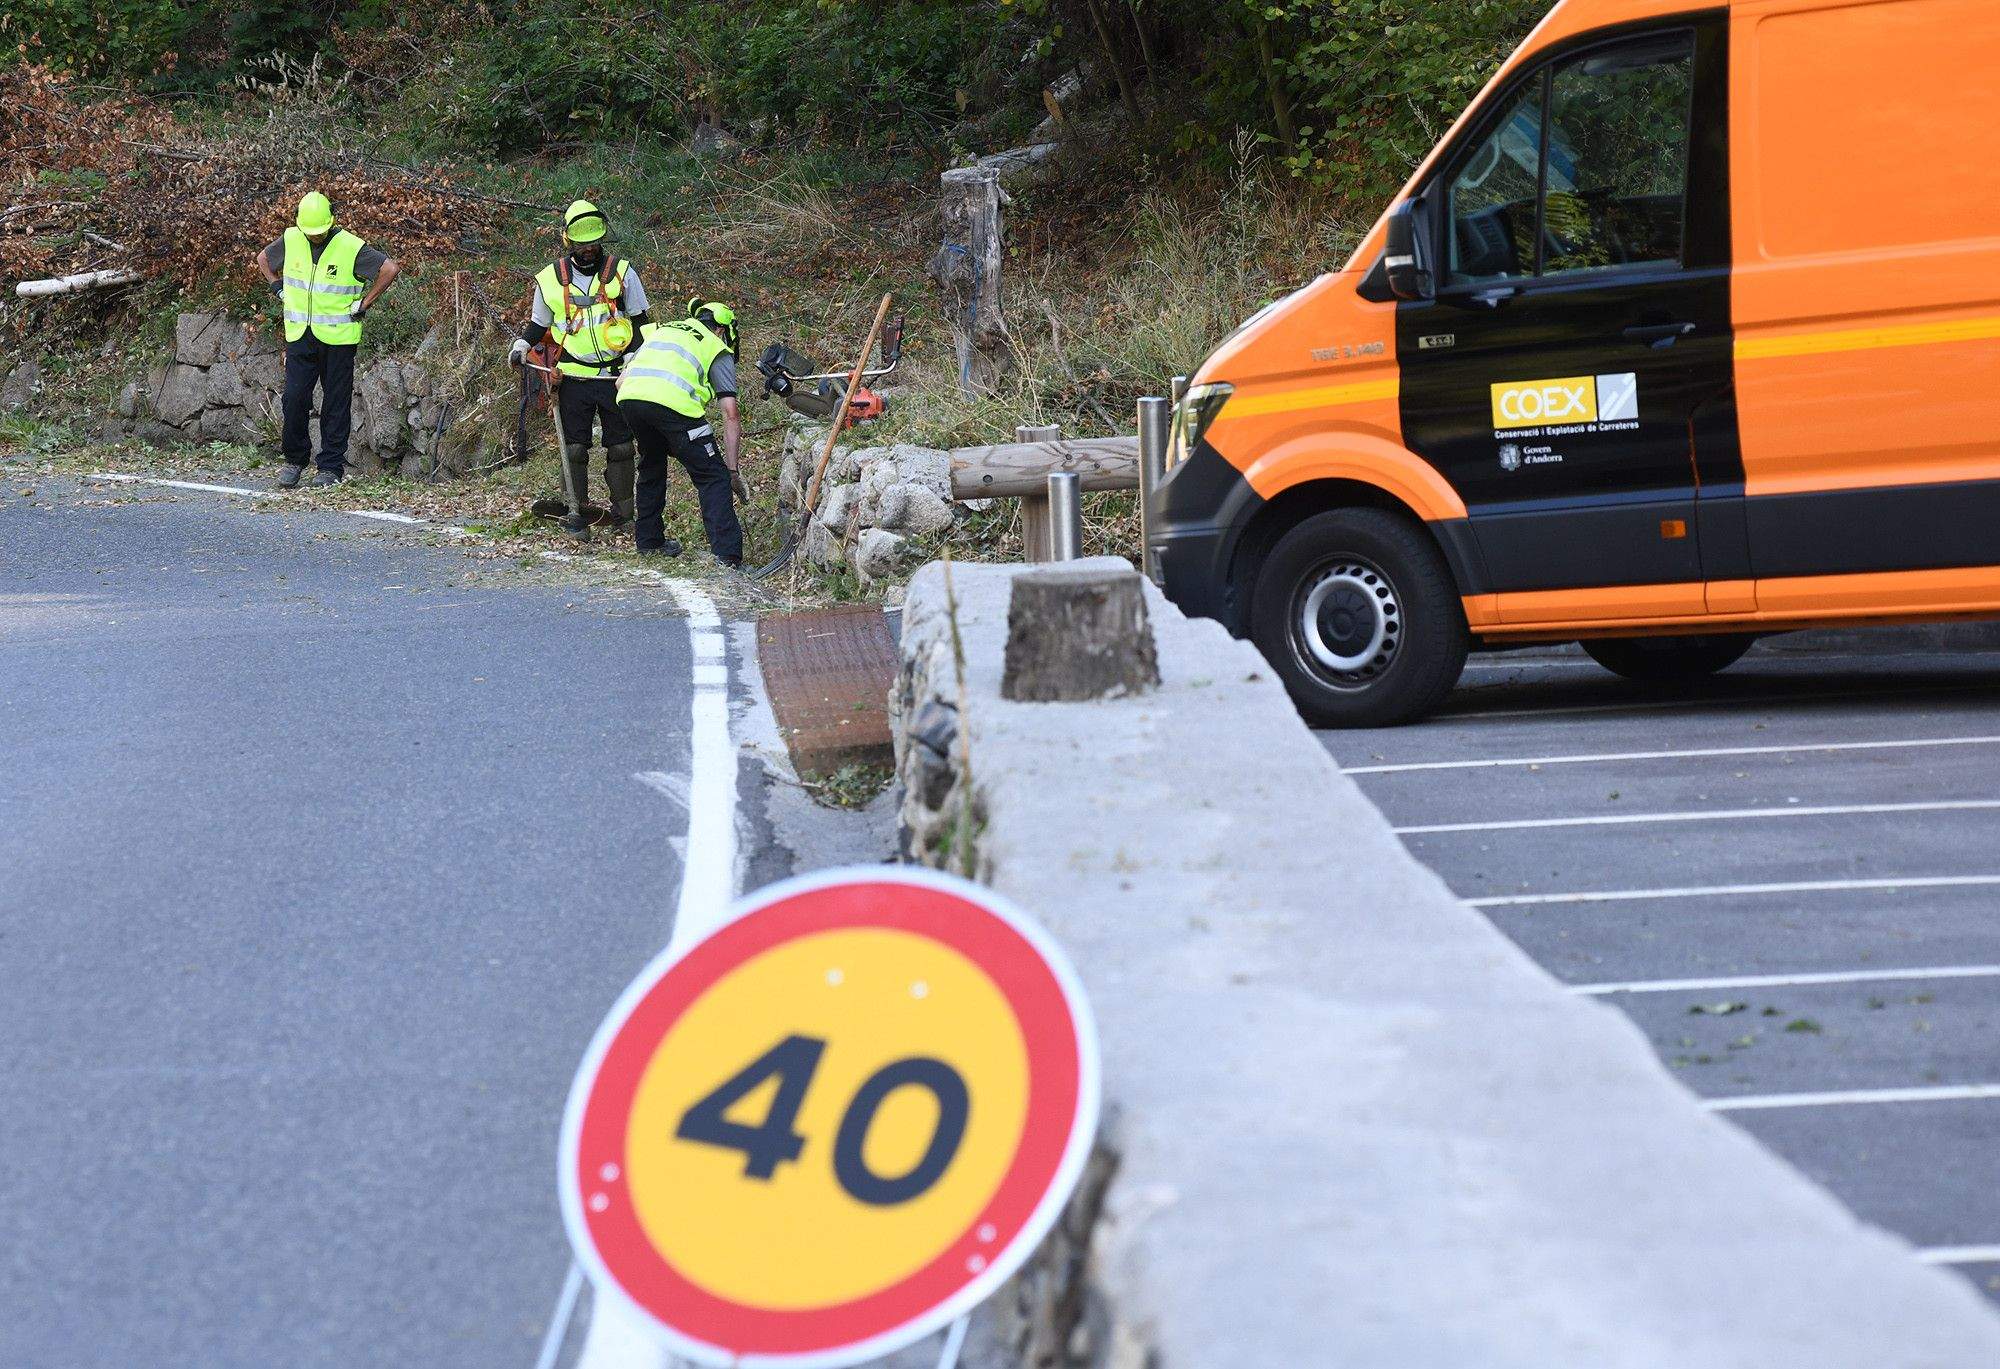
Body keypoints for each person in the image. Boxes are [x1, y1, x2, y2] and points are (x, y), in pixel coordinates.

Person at [510, 200, 650, 535]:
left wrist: (635, 359)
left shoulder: (623, 272)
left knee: (620, 447)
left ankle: (624, 517)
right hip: (573, 376)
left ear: (602, 238)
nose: (588, 249)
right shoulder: (549, 280)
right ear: (568, 240)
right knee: (573, 447)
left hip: (617, 376)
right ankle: (576, 512)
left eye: (593, 241)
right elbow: (537, 325)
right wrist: (521, 346)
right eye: (581, 242)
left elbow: (642, 323)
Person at [253, 192, 400, 488]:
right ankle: (294, 460)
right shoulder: (292, 238)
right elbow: (263, 259)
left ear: (331, 223)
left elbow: (390, 269)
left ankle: (330, 468)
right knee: (294, 399)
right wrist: (277, 288)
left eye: (319, 232)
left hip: (339, 338)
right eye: (311, 233)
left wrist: (365, 303)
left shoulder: (350, 246)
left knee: (335, 403)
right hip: (300, 334)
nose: (314, 237)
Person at [615, 300, 747, 565]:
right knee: (712, 475)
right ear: (722, 330)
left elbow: (620, 381)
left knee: (651, 465)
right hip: (675, 407)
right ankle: (727, 555)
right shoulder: (714, 346)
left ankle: (649, 542)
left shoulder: (662, 331)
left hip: (630, 399)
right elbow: (730, 413)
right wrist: (732, 470)